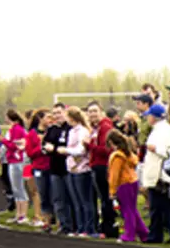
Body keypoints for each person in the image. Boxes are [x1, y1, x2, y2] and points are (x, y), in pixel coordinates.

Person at [140, 103, 170, 244]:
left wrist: (156, 149)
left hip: (161, 175)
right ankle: (157, 234)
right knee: (157, 207)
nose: (148, 118)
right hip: (156, 173)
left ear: (154, 117)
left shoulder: (165, 131)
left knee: (164, 206)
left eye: (149, 115)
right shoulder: (158, 130)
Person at [107, 129, 148, 243]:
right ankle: (143, 233)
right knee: (132, 209)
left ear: (111, 142)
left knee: (127, 210)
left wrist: (112, 190)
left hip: (123, 183)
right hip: (132, 181)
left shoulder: (117, 156)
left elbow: (114, 175)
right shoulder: (128, 154)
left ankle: (129, 234)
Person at [61, 107, 97, 238]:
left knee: (85, 201)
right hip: (71, 168)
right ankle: (80, 227)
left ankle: (88, 228)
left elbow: (81, 150)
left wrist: (65, 151)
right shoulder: (71, 132)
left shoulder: (82, 131)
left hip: (82, 169)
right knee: (76, 201)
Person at [42, 105, 74, 236]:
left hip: (68, 168)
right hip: (55, 169)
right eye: (54, 113)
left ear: (65, 113)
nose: (57, 116)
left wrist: (54, 149)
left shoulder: (70, 128)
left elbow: (67, 147)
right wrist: (47, 149)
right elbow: (45, 145)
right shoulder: (52, 130)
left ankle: (74, 225)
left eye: (59, 113)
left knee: (71, 198)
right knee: (58, 198)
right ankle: (63, 225)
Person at [86, 102, 117, 238]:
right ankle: (104, 225)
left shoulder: (105, 127)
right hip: (96, 165)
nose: (92, 114)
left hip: (102, 166)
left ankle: (108, 226)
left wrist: (89, 146)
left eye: (95, 111)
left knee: (105, 198)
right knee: (102, 198)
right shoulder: (96, 128)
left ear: (101, 112)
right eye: (90, 111)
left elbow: (107, 150)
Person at [0, 110, 30, 223]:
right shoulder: (14, 129)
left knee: (19, 188)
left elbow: (13, 146)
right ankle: (19, 213)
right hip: (13, 160)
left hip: (17, 160)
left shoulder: (17, 129)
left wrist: (3, 140)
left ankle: (23, 214)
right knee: (16, 189)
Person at [25, 110, 49, 227]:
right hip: (39, 166)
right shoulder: (32, 134)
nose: (50, 120)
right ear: (40, 119)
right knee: (39, 192)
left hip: (51, 166)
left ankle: (51, 218)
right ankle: (39, 216)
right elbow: (30, 152)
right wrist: (40, 146)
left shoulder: (51, 131)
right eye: (47, 117)